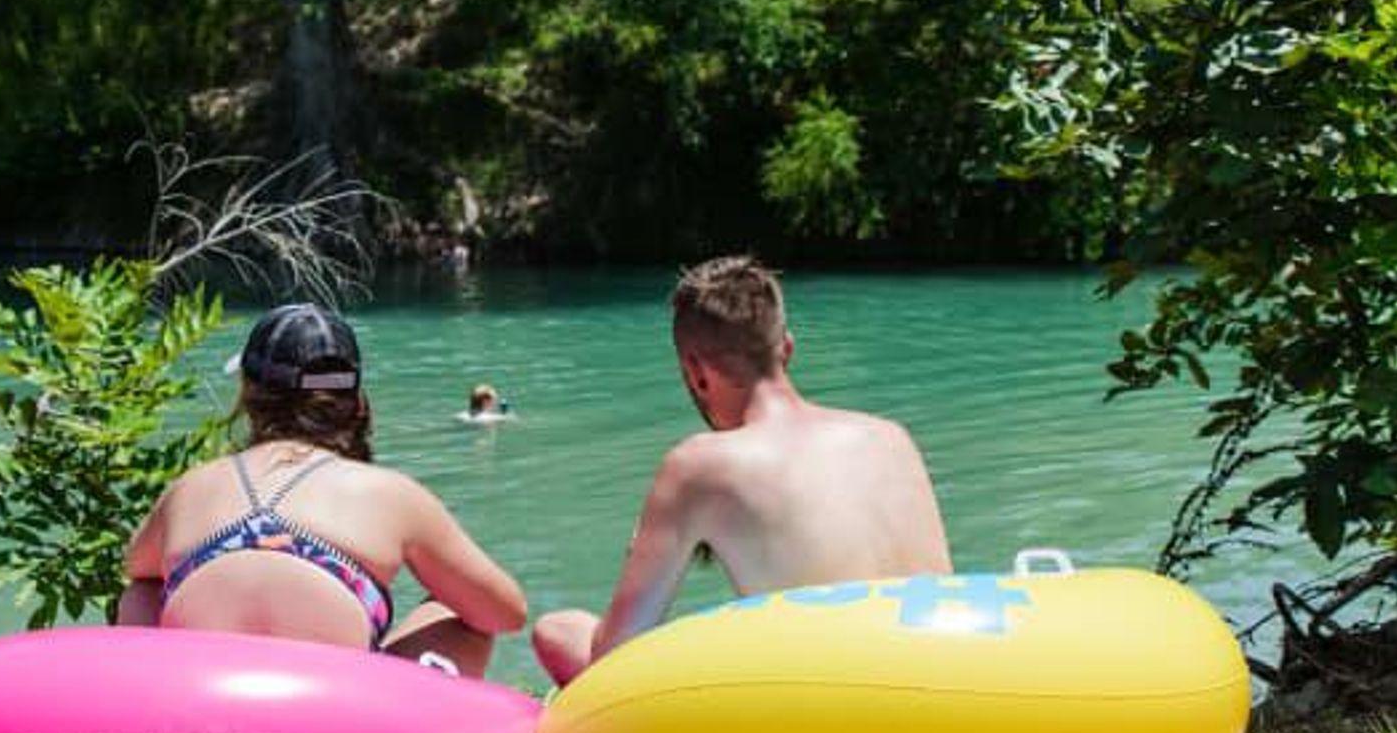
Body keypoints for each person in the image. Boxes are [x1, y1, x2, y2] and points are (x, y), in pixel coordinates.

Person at [531, 256, 951, 686]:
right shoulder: (891, 437)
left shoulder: (698, 465)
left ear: (696, 373)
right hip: (948, 686)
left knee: (558, 632)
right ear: (787, 348)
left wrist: (638, 548)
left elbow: (615, 658)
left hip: (834, 701)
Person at [119, 303, 526, 677]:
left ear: (248, 394)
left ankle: (139, 692)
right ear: (357, 401)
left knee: (142, 591)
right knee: (454, 606)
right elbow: (507, 613)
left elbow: (136, 569)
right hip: (335, 715)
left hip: (197, 700)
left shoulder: (193, 486)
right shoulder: (391, 494)